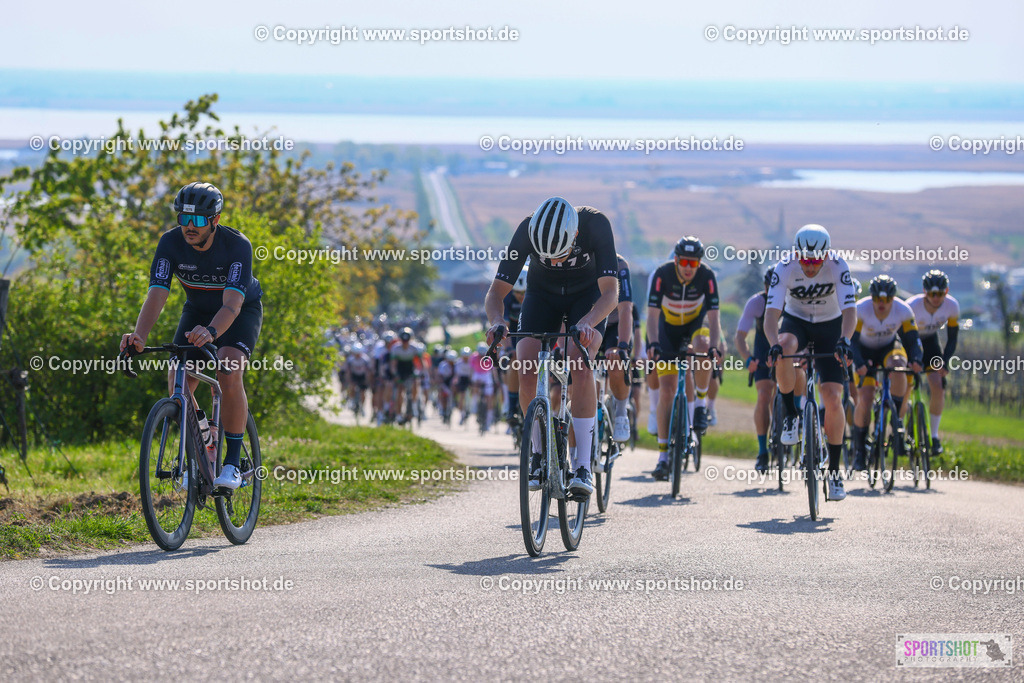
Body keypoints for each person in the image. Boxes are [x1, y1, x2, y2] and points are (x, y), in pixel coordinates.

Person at [120, 181, 262, 490]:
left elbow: (233, 304)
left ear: (215, 220)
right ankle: (204, 438)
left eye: (197, 219)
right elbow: (157, 293)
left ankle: (232, 464)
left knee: (228, 367)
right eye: (182, 218)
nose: (189, 227)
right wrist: (139, 335)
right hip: (197, 309)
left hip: (237, 312)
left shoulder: (238, 246)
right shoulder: (170, 243)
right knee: (178, 379)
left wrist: (211, 332)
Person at [484, 197, 619, 498]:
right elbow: (496, 293)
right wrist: (496, 321)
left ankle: (583, 464)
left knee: (581, 365)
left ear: (574, 236)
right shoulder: (526, 230)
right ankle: (537, 452)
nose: (556, 263)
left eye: (560, 255)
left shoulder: (596, 225)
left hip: (587, 298)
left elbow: (611, 294)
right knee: (526, 368)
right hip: (542, 296)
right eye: (547, 258)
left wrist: (588, 322)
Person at [764, 224, 857, 501]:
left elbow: (850, 311)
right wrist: (773, 346)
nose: (810, 266)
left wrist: (845, 340)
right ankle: (792, 415)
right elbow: (771, 317)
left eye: (816, 261)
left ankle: (835, 472)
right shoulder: (784, 267)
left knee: (832, 396)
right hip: (798, 322)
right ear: (796, 253)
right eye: (805, 259)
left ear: (826, 256)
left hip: (831, 326)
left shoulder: (839, 266)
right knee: (785, 347)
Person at [646, 236, 722, 481]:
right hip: (666, 329)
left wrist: (714, 348)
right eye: (685, 262)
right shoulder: (662, 275)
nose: (689, 268)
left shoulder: (707, 277)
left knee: (702, 345)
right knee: (667, 390)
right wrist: (654, 343)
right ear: (676, 260)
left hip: (695, 326)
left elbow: (714, 318)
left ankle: (700, 406)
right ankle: (663, 457)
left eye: (694, 263)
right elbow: (651, 316)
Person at [849, 274, 924, 470]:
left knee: (899, 365)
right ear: (872, 297)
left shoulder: (903, 310)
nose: (882, 304)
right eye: (877, 299)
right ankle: (860, 450)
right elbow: (852, 342)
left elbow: (913, 341)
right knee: (865, 399)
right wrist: (858, 363)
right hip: (863, 353)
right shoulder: (860, 310)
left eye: (887, 300)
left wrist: (916, 359)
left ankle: (895, 419)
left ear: (893, 299)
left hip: (888, 349)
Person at [906, 270, 959, 455]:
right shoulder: (911, 306)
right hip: (908, 342)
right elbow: (900, 334)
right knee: (906, 384)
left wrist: (945, 362)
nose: (936, 299)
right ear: (924, 292)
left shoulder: (952, 306)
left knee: (937, 383)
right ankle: (899, 428)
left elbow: (952, 339)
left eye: (940, 294)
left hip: (930, 342)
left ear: (947, 291)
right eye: (931, 294)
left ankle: (934, 436)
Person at [735, 267, 777, 471]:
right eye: (769, 286)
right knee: (764, 395)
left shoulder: (793, 301)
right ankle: (762, 451)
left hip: (786, 351)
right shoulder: (757, 302)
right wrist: (748, 359)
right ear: (764, 286)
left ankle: (789, 424)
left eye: (776, 286)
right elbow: (740, 337)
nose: (772, 290)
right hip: (763, 353)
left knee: (790, 388)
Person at [598, 254, 635, 442]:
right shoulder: (578, 260)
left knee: (616, 361)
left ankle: (621, 412)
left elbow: (626, 308)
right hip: (589, 323)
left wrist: (622, 347)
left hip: (614, 325)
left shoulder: (620, 264)